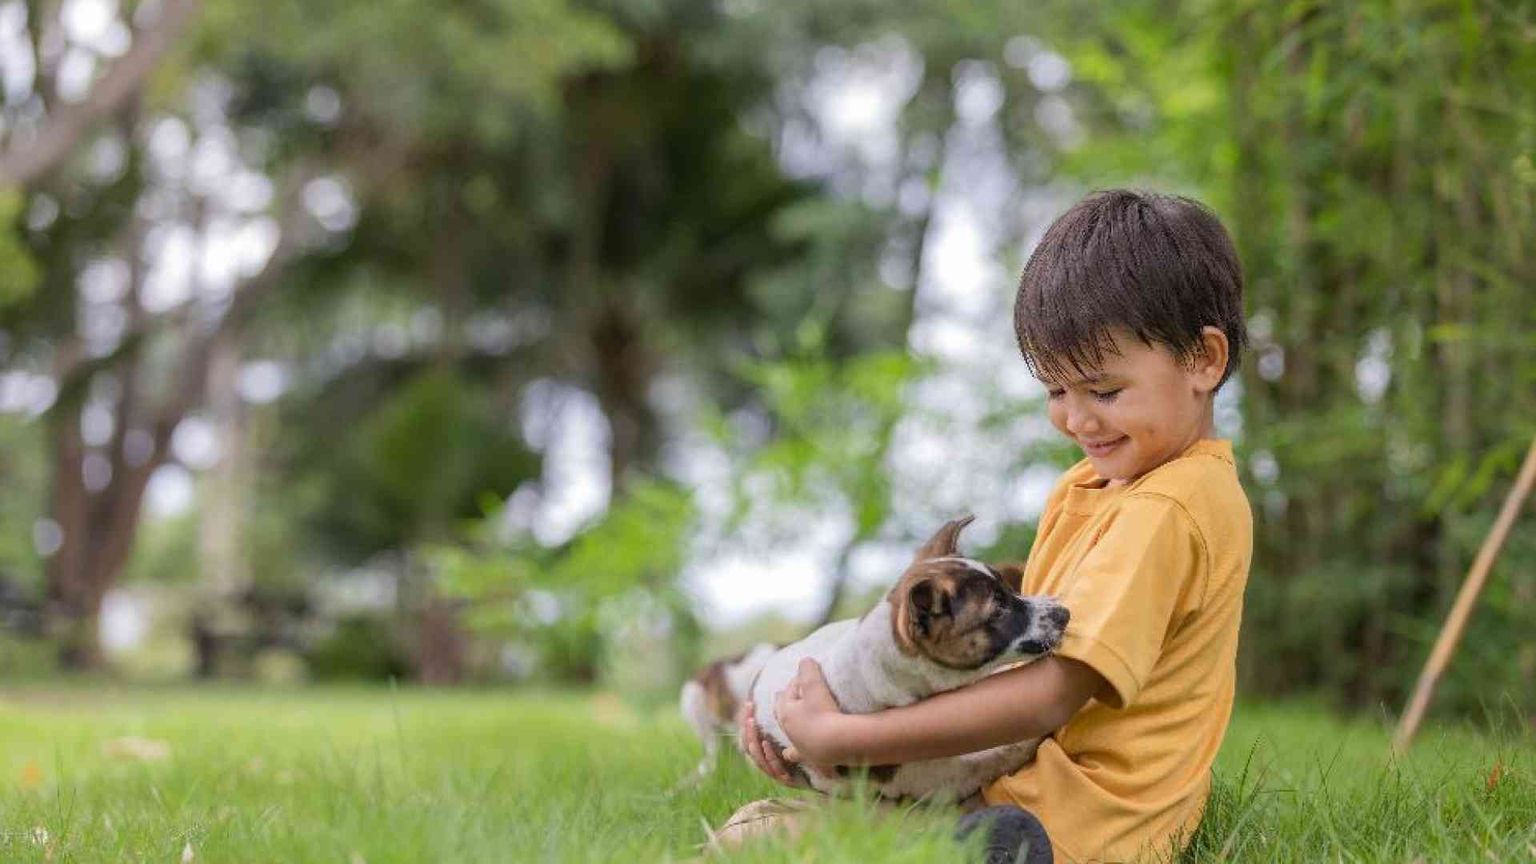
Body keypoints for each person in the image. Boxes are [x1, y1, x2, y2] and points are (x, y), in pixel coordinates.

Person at [728, 189, 1254, 864]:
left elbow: (1048, 694)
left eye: (1103, 390)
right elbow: (992, 650)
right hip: (1016, 785)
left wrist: (845, 740)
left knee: (767, 840)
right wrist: (814, 730)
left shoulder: (1169, 509)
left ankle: (987, 852)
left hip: (1081, 821)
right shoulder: (1097, 486)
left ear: (1203, 361)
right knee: (765, 828)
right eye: (1054, 391)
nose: (1075, 420)